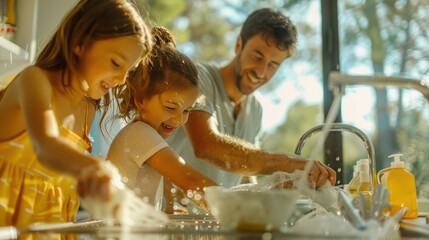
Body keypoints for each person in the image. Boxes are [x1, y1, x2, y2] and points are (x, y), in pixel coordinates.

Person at [0, 0, 152, 228]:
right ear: (80, 42)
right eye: (115, 63)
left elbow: (63, 182)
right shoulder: (34, 80)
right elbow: (46, 146)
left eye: (128, 71)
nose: (121, 79)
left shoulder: (87, 109)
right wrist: (97, 168)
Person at [167, 8, 336, 190]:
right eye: (257, 56)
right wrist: (289, 163)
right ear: (239, 44)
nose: (261, 71)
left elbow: (244, 177)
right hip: (171, 214)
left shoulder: (256, 107)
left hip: (215, 215)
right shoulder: (198, 78)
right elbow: (206, 146)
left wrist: (279, 188)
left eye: (273, 65)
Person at [107, 27, 217, 212]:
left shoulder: (147, 140)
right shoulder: (139, 134)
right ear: (141, 99)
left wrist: (169, 211)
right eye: (170, 107)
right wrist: (239, 209)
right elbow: (190, 181)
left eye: (186, 110)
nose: (178, 118)